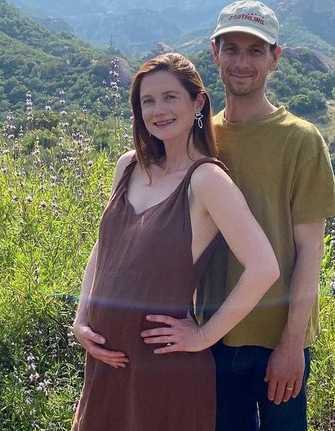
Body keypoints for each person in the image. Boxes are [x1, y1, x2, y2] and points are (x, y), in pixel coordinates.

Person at [70, 52, 279, 431]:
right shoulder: (128, 166)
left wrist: (202, 335)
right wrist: (81, 317)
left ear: (197, 102)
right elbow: (105, 249)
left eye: (170, 97)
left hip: (163, 377)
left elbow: (264, 266)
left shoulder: (206, 181)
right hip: (105, 366)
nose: (158, 110)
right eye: (147, 101)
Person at [198, 0, 335, 431]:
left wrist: (291, 344)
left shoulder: (301, 140)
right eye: (232, 49)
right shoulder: (201, 135)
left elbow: (310, 248)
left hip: (276, 340)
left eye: (255, 50)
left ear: (275, 58)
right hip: (214, 336)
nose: (242, 62)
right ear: (215, 53)